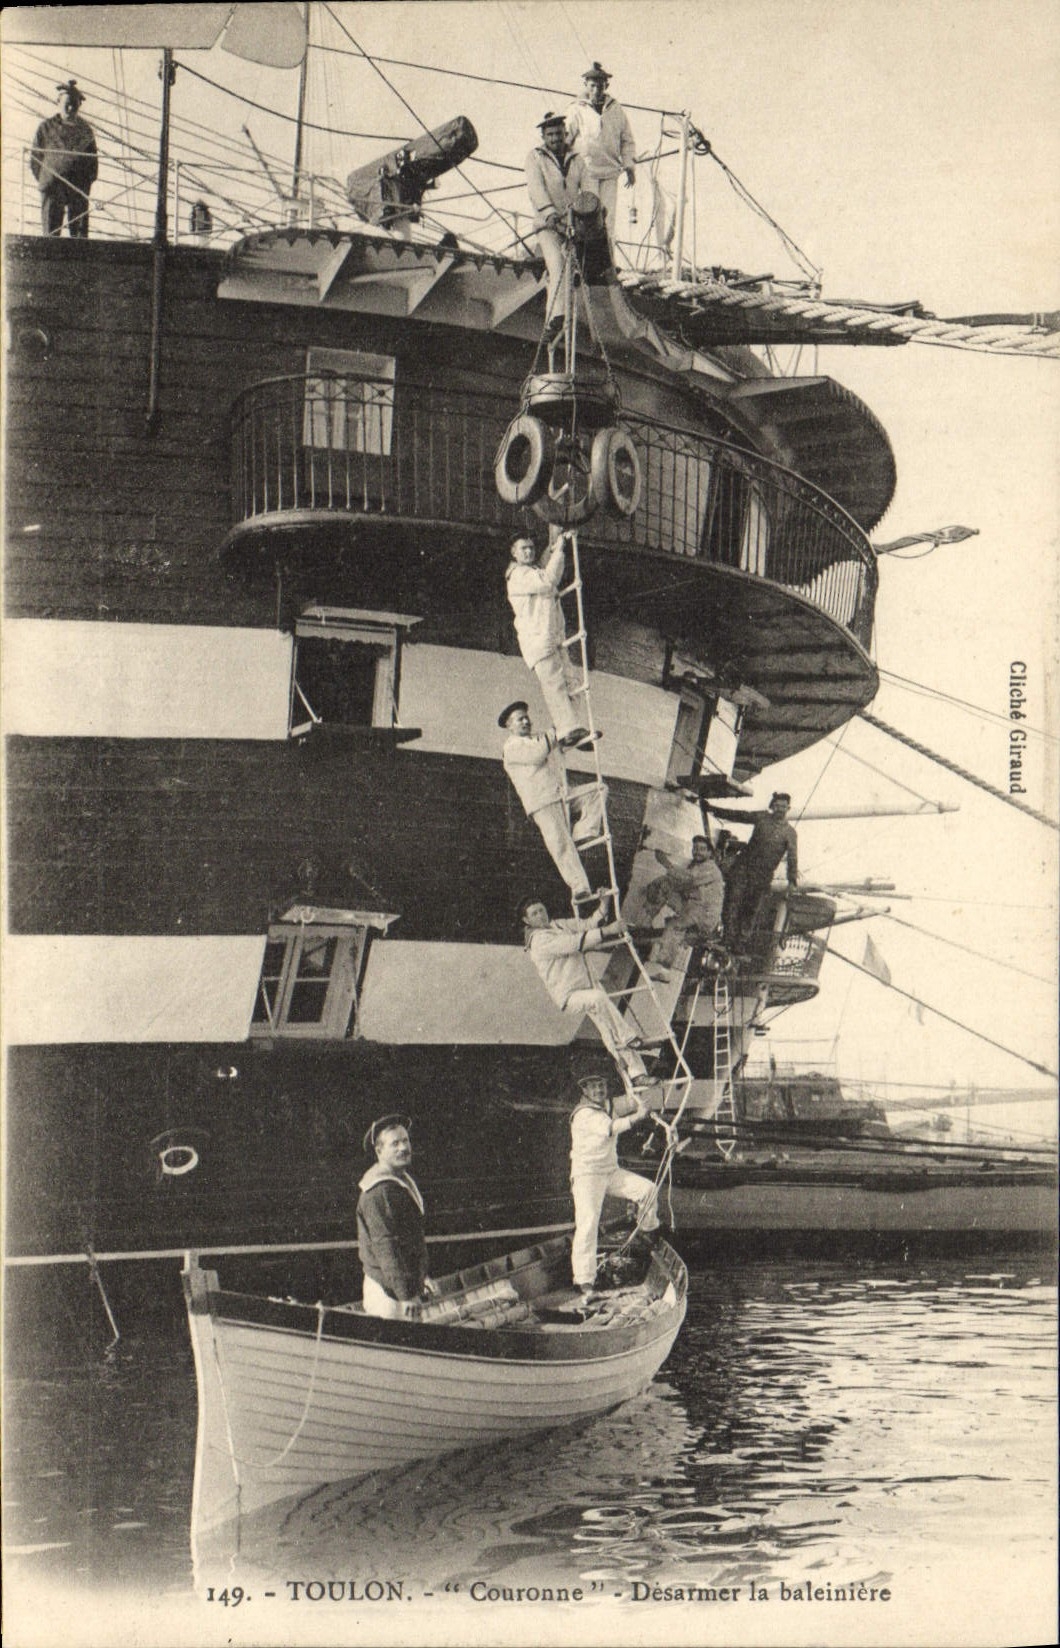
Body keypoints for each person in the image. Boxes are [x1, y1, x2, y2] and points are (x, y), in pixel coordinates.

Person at [520, 895, 654, 1089]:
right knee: (600, 1001)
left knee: (608, 1030)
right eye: (534, 913)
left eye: (541, 910)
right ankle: (630, 1038)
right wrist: (608, 930)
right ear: (527, 921)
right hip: (569, 995)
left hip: (588, 985)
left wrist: (604, 905)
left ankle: (637, 1075)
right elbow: (574, 943)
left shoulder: (558, 925)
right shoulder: (538, 941)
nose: (540, 915)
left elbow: (587, 925)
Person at [500, 701, 605, 898]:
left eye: (526, 717)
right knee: (560, 843)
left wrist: (581, 738)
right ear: (509, 725)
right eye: (519, 719)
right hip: (542, 802)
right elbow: (537, 753)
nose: (526, 721)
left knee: (598, 790)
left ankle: (584, 831)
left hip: (560, 793)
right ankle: (579, 887)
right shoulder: (511, 747)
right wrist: (559, 727)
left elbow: (559, 742)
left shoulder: (536, 738)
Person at [505, 528, 596, 748]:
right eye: (523, 549)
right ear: (514, 553)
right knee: (554, 685)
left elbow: (547, 567)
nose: (529, 552)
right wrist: (560, 548)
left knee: (571, 682)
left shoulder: (532, 570)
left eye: (531, 548)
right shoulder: (518, 575)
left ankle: (572, 729)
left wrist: (556, 546)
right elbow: (548, 579)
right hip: (538, 640)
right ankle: (567, 729)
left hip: (552, 637)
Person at [569, 1072, 659, 1292]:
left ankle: (647, 1229)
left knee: (648, 1190)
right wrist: (639, 1116)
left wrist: (644, 1090)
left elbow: (630, 1101)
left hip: (610, 1172)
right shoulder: (584, 1114)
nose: (599, 1090)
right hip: (587, 1176)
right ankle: (584, 1280)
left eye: (601, 1085)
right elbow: (610, 1128)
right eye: (593, 1087)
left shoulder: (607, 1105)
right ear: (585, 1091)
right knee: (588, 1224)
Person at [356, 1113, 434, 1319]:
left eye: (406, 1141)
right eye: (395, 1144)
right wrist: (406, 1295)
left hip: (403, 1288)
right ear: (379, 1151)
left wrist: (421, 1278)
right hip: (388, 1295)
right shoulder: (378, 1192)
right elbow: (386, 1246)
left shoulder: (400, 1181)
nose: (403, 1148)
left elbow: (412, 1241)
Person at [525, 111, 590, 341]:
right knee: (558, 265)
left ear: (565, 134)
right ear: (544, 136)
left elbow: (588, 188)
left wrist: (587, 213)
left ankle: (564, 319)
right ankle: (556, 319)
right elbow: (536, 189)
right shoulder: (535, 158)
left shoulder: (577, 159)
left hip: (572, 224)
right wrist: (551, 215)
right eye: (550, 134)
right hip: (548, 225)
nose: (555, 138)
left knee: (573, 268)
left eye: (559, 134)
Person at [708, 791, 799, 942]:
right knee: (732, 901)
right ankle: (728, 936)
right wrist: (714, 809)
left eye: (783, 806)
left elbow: (792, 856)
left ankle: (740, 941)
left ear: (788, 808)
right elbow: (740, 815)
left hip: (763, 876)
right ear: (772, 806)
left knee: (751, 908)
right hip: (743, 868)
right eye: (776, 806)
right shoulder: (761, 817)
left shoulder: (790, 833)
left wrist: (792, 880)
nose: (779, 809)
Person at [564, 63, 636, 240]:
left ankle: (608, 261)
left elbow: (627, 140)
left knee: (608, 217)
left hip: (610, 171)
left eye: (600, 85)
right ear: (586, 85)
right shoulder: (576, 109)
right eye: (592, 85)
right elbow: (566, 138)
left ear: (606, 86)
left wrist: (629, 166)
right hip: (587, 171)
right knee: (589, 215)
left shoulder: (616, 110)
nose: (596, 89)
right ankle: (590, 261)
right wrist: (564, 167)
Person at [643, 833, 725, 976]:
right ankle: (647, 921)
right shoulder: (697, 866)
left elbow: (687, 879)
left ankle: (665, 971)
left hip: (704, 915)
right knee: (664, 882)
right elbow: (679, 881)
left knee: (674, 926)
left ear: (710, 853)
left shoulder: (710, 868)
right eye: (695, 848)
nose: (697, 852)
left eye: (702, 849)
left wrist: (666, 863)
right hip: (694, 907)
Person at [31, 81, 99, 239]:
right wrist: (46, 178)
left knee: (80, 237)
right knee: (50, 235)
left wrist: (85, 182)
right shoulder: (45, 128)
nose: (70, 109)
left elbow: (92, 164)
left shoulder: (86, 132)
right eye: (67, 104)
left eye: (74, 105)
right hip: (52, 187)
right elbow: (35, 160)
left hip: (78, 187)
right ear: (58, 103)